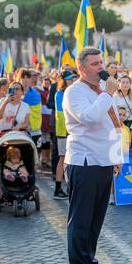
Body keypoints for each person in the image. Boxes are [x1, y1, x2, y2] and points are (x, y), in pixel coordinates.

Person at [63, 47, 121, 264]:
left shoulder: (101, 92)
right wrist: (107, 94)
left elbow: (112, 125)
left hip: (104, 161)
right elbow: (88, 117)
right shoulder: (73, 92)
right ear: (82, 68)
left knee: (96, 218)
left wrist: (116, 157)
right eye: (96, 64)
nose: (101, 68)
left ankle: (89, 260)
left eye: (101, 63)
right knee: (81, 218)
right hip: (84, 162)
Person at [54, 71, 77, 200]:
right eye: (69, 79)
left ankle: (68, 186)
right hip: (63, 131)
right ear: (63, 81)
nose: (71, 81)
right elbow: (63, 114)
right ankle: (58, 188)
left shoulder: (70, 92)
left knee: (68, 159)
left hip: (69, 130)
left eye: (72, 79)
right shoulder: (60, 94)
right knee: (63, 159)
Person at [16, 68, 42, 146]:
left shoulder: (36, 94)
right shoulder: (14, 93)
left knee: (36, 154)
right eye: (23, 77)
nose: (25, 80)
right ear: (19, 79)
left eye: (27, 77)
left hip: (34, 130)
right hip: (19, 129)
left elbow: (36, 112)